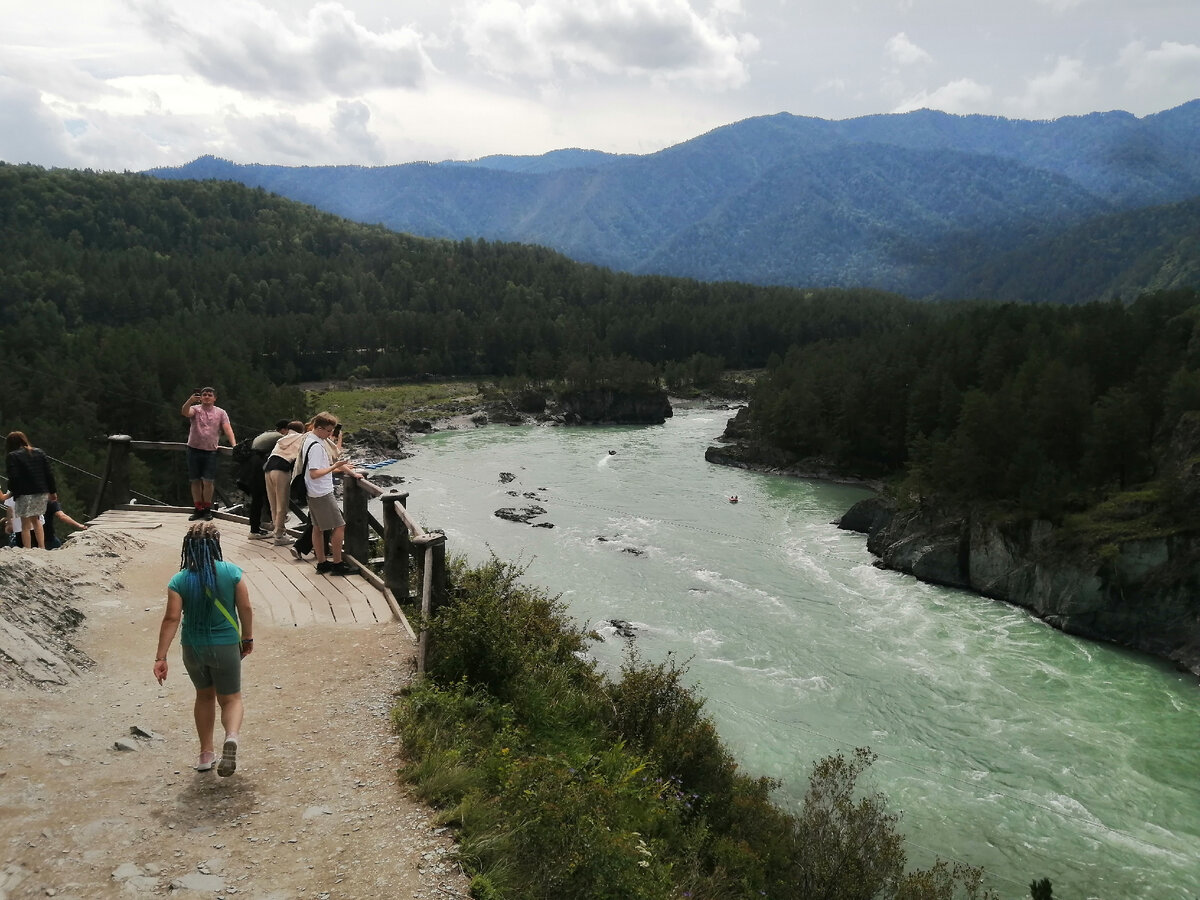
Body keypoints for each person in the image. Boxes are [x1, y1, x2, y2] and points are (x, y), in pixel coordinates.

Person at [153, 522, 253, 776]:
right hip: (226, 645)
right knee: (231, 698)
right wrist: (247, 638)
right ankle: (231, 736)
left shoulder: (179, 580)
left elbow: (172, 618)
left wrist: (161, 657)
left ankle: (206, 754)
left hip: (193, 649)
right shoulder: (232, 573)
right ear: (215, 545)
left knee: (204, 696)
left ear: (188, 549)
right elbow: (245, 609)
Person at [300, 412, 363, 576]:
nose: (330, 434)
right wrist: (335, 468)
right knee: (340, 525)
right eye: (328, 431)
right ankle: (337, 563)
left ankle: (322, 563)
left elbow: (329, 463)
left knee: (317, 527)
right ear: (319, 428)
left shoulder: (310, 439)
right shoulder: (316, 446)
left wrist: (350, 472)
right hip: (320, 491)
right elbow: (315, 472)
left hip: (312, 491)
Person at [181, 387, 236, 521]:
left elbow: (227, 428)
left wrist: (234, 445)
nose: (206, 397)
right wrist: (190, 400)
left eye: (209, 395)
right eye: (204, 394)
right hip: (193, 449)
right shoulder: (195, 409)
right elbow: (184, 412)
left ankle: (207, 508)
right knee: (195, 480)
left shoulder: (221, 412)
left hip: (211, 451)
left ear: (214, 398)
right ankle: (198, 508)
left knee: (208, 481)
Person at [5, 431, 57, 549]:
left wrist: (13, 491)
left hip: (23, 493)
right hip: (40, 492)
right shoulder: (39, 452)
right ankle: (42, 547)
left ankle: (27, 550)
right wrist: (52, 492)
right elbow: (49, 474)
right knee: (36, 520)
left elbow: (13, 477)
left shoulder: (12, 456)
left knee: (25, 525)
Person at [246, 419, 290, 540]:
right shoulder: (279, 437)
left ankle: (263, 526)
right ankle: (271, 527)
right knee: (264, 499)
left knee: (259, 499)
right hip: (262, 466)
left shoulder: (269, 434)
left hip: (253, 464)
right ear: (284, 429)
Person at [264, 420, 305, 545]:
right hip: (281, 469)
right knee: (282, 504)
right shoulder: (301, 438)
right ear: (301, 430)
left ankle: (276, 530)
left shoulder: (283, 439)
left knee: (273, 503)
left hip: (268, 468)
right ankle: (280, 535)